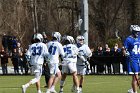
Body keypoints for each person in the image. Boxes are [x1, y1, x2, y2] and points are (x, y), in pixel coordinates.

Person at [124, 25, 140, 93]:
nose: (137, 33)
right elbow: (124, 49)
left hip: (139, 58)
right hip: (133, 60)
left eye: (138, 32)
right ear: (132, 32)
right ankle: (135, 91)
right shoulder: (128, 39)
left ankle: (132, 89)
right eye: (136, 32)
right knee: (135, 77)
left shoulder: (139, 38)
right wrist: (126, 53)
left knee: (137, 78)